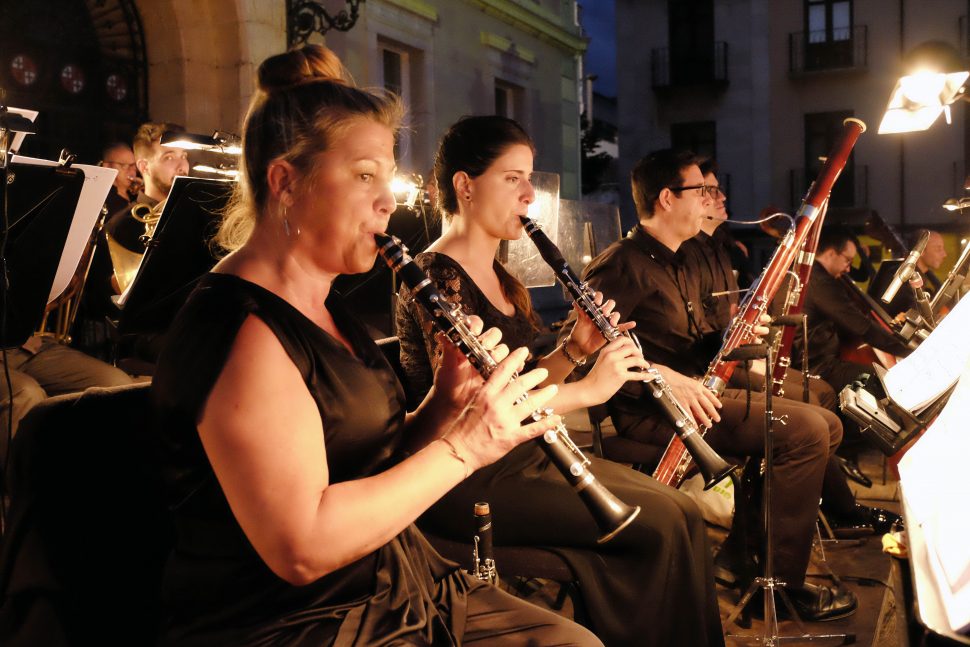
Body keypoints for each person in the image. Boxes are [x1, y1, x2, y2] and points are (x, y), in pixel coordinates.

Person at [150, 46, 600, 646]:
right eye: (365, 176)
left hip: (386, 583)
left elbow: (370, 462)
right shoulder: (242, 334)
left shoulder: (326, 301)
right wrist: (467, 447)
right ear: (285, 181)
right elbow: (302, 550)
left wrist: (445, 406)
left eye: (386, 179)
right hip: (296, 622)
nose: (389, 202)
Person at [395, 116, 725, 647]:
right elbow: (480, 405)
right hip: (467, 473)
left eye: (529, 178)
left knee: (683, 511)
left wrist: (577, 349)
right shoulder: (438, 276)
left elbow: (528, 380)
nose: (529, 194)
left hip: (528, 453)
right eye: (513, 178)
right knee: (661, 523)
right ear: (465, 185)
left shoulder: (504, 277)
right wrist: (593, 390)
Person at [582, 149, 858, 621]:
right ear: (667, 198)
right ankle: (781, 585)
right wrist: (661, 375)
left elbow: (691, 345)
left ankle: (745, 550)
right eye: (700, 190)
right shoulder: (621, 265)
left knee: (826, 424)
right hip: (651, 413)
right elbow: (584, 353)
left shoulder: (680, 258)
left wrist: (737, 336)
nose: (710, 197)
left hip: (695, 395)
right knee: (809, 430)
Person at [681, 159, 899, 536]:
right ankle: (807, 509)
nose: (718, 197)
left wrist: (742, 329)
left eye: (713, 189)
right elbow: (694, 335)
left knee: (820, 401)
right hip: (706, 375)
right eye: (707, 191)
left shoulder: (720, 250)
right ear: (669, 199)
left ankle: (814, 498)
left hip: (729, 361)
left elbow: (719, 320)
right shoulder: (683, 253)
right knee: (813, 411)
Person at [794, 226, 912, 396]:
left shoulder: (809, 276)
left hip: (814, 361)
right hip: (818, 368)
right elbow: (862, 327)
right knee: (882, 381)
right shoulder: (821, 283)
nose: (849, 269)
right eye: (848, 261)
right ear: (831, 253)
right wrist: (906, 350)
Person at [105, 122, 189, 254]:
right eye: (169, 157)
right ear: (144, 167)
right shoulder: (121, 226)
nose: (182, 165)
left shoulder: (194, 215)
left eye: (184, 156)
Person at [867, 228, 947, 317]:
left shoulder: (925, 276)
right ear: (922, 251)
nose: (944, 254)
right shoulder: (901, 277)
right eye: (938, 249)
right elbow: (918, 313)